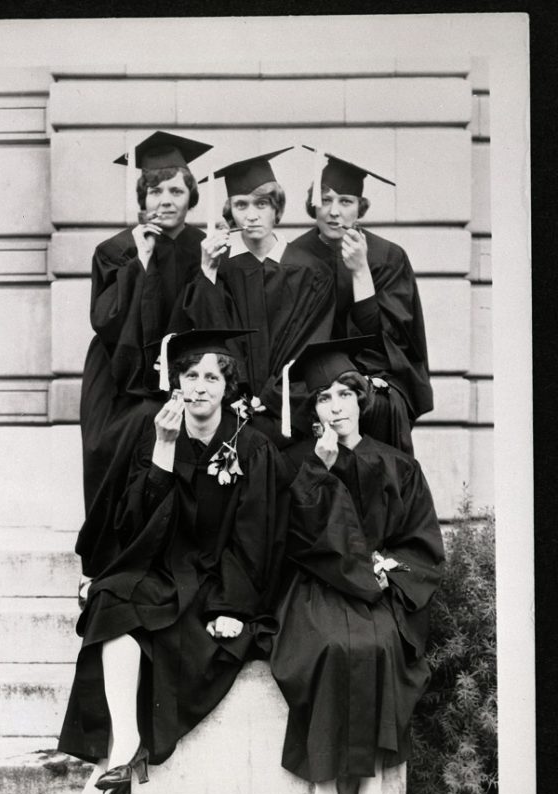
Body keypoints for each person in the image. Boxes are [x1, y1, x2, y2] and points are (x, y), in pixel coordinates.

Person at [58, 329, 283, 794]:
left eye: (210, 377)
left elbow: (254, 538)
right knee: (113, 598)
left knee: (159, 633)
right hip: (164, 567)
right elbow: (136, 525)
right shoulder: (157, 431)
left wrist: (232, 606)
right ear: (176, 382)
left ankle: (108, 768)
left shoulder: (251, 446)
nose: (199, 386)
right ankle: (126, 744)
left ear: (228, 386)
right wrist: (163, 447)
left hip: (217, 582)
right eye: (190, 375)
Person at [271, 338, 444, 794]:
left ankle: (370, 789)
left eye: (344, 394)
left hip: (378, 587)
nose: (336, 406)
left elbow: (421, 540)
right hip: (318, 585)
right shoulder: (300, 464)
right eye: (324, 398)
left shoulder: (397, 464)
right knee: (329, 646)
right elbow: (296, 541)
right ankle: (323, 791)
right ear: (313, 410)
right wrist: (319, 473)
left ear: (361, 398)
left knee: (377, 645)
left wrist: (392, 568)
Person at [79, 130, 212, 524]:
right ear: (143, 198)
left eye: (175, 191)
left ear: (191, 196)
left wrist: (209, 270)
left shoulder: (201, 248)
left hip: (179, 372)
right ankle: (104, 563)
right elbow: (106, 321)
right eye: (155, 192)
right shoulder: (114, 250)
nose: (166, 201)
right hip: (116, 376)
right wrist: (139, 260)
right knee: (106, 452)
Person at [181, 149, 334, 447]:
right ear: (230, 214)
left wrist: (271, 396)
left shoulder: (311, 271)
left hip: (288, 412)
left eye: (261, 204)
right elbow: (209, 337)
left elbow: (314, 345)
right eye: (241, 205)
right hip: (230, 413)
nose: (251, 215)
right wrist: (208, 274)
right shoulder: (219, 268)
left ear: (276, 208)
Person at [288, 148, 433, 454]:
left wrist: (360, 271)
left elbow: (388, 342)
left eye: (345, 201)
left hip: (373, 372)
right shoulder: (293, 257)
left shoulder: (387, 257)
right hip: (311, 375)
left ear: (360, 208)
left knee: (380, 404)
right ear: (313, 205)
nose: (334, 211)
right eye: (325, 200)